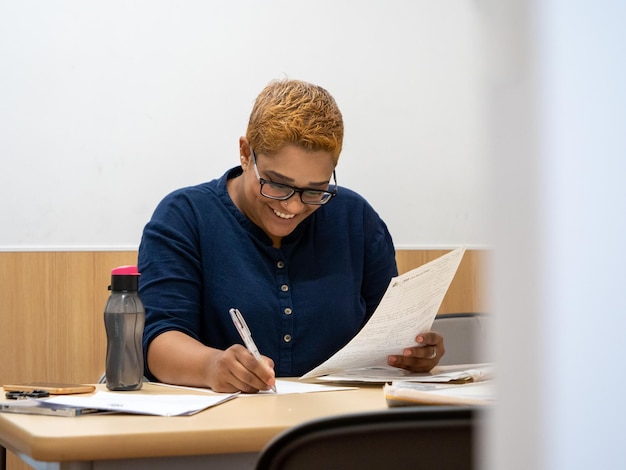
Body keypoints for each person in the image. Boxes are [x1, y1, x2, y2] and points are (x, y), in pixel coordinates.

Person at [138, 79, 445, 393]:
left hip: (336, 425)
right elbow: (159, 344)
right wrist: (212, 367)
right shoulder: (185, 217)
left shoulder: (355, 219)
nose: (293, 206)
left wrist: (413, 353)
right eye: (277, 185)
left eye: (315, 190)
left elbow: (389, 334)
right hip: (220, 430)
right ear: (246, 154)